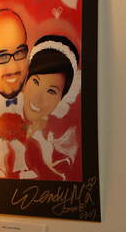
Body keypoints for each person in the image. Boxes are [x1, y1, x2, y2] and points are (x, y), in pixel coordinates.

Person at [0, 8, 35, 178]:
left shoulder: (25, 99)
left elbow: (25, 119)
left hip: (14, 133)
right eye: (2, 56)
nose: (13, 67)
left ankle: (21, 170)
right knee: (2, 149)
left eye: (20, 53)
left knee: (20, 148)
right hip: (0, 134)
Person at [20, 35, 81, 180]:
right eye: (36, 82)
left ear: (62, 98)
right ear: (26, 79)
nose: (37, 98)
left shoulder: (59, 144)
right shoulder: (2, 110)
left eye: (51, 91)